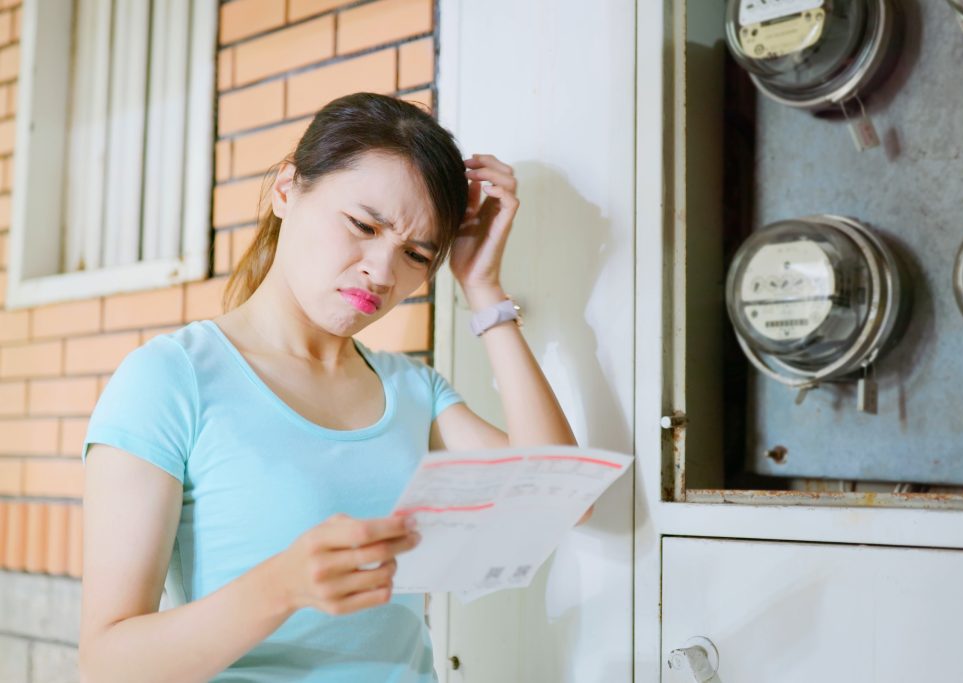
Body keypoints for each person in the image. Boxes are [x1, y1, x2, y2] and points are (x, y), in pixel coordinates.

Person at [77, 92, 589, 682]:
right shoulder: (172, 379)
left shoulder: (413, 392)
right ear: (287, 190)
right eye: (363, 225)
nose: (382, 270)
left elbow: (564, 494)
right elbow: (105, 665)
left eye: (416, 254)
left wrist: (484, 289)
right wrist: (281, 586)